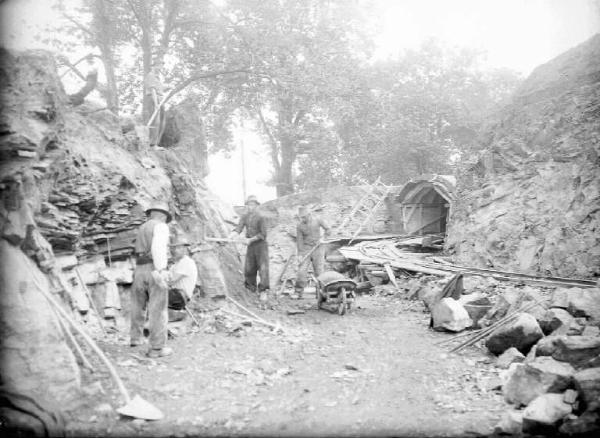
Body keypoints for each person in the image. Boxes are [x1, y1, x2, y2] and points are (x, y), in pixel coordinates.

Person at [130, 202, 172, 358]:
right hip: (154, 267)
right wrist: (161, 270)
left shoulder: (142, 227)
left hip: (139, 269)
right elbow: (158, 248)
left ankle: (135, 338)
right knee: (158, 308)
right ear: (163, 215)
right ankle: (157, 348)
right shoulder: (161, 226)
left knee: (137, 305)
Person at [230, 195, 270, 299]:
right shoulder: (245, 216)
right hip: (251, 245)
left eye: (253, 204)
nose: (250, 206)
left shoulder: (261, 216)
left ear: (256, 205)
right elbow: (239, 227)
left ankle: (263, 291)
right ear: (247, 205)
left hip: (261, 245)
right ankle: (250, 288)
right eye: (249, 204)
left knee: (263, 268)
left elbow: (263, 234)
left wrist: (250, 240)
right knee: (249, 268)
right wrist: (233, 234)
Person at [295, 206, 330, 299]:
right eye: (301, 217)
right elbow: (299, 241)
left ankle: (321, 293)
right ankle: (298, 292)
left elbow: (328, 229)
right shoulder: (299, 225)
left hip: (318, 248)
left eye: (304, 217)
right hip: (306, 248)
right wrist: (300, 255)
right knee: (301, 271)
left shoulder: (318, 219)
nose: (302, 219)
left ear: (309, 215)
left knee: (319, 272)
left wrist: (323, 238)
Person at [167, 236, 198, 321]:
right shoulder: (176, 264)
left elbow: (171, 281)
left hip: (180, 297)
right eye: (177, 248)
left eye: (182, 247)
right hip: (175, 294)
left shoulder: (186, 262)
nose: (182, 250)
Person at [144, 64, 165, 146]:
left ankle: (156, 143)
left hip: (160, 99)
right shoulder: (150, 76)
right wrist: (156, 103)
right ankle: (152, 144)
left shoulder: (157, 78)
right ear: (153, 66)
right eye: (159, 65)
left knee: (161, 122)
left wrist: (167, 87)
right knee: (155, 122)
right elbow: (152, 90)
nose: (161, 68)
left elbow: (159, 89)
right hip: (153, 99)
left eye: (162, 66)